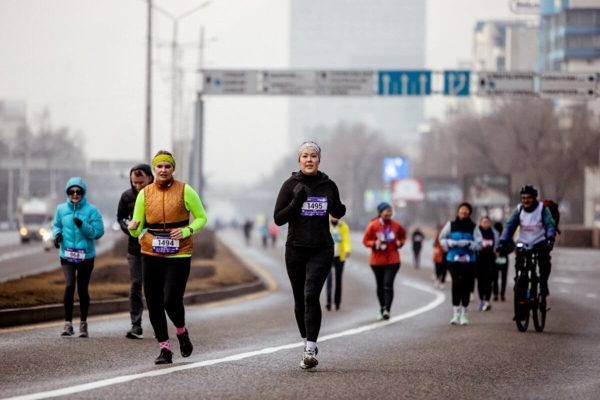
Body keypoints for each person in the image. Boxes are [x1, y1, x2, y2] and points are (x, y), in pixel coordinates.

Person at [128, 150, 208, 365]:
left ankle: (181, 332)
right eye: (159, 167)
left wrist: (186, 231)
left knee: (171, 300)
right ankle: (165, 349)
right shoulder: (144, 194)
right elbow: (136, 229)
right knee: (153, 303)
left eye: (167, 167)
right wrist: (133, 228)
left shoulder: (185, 190)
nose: (163, 170)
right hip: (151, 250)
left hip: (179, 251)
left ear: (173, 169)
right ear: (154, 170)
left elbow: (201, 218)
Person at [273, 141, 346, 370]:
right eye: (305, 155)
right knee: (299, 300)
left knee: (311, 294)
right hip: (295, 248)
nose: (309, 159)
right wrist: (297, 201)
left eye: (313, 155)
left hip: (322, 248)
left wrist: (338, 208)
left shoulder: (328, 184)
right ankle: (307, 340)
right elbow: (279, 218)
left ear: (319, 160)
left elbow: (338, 211)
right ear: (299, 160)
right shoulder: (290, 185)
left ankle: (310, 348)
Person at [52, 177, 105, 338]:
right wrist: (57, 235)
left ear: (83, 192)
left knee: (82, 289)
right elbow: (56, 225)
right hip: (66, 254)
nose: (75, 194)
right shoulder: (61, 209)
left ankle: (83, 323)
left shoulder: (92, 210)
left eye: (78, 191)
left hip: (86, 255)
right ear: (67, 192)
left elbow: (98, 232)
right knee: (69, 285)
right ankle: (68, 323)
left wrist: (82, 225)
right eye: (72, 191)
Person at [497, 185, 556, 298]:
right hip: (522, 242)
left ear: (534, 198)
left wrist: (550, 239)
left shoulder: (543, 209)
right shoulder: (519, 210)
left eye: (528, 198)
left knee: (545, 262)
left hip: (540, 242)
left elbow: (549, 224)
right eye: (523, 198)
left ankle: (543, 283)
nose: (525, 200)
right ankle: (519, 281)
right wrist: (503, 241)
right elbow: (510, 225)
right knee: (519, 262)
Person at [117, 164, 154, 339]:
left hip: (156, 248)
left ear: (150, 179)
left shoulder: (158, 194)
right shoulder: (126, 196)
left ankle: (158, 324)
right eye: (134, 182)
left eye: (141, 182)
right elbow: (120, 218)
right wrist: (128, 227)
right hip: (135, 249)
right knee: (135, 285)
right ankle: (136, 324)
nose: (137, 186)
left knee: (155, 287)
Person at [439, 203, 482, 326]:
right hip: (453, 260)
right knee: (457, 283)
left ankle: (464, 312)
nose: (463, 212)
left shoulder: (474, 227)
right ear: (458, 212)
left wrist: (469, 244)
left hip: (469, 260)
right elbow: (441, 239)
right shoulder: (450, 225)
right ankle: (455, 312)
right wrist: (449, 242)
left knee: (466, 285)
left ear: (469, 213)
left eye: (466, 211)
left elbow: (479, 244)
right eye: (461, 210)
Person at [362, 202, 407, 321]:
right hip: (377, 261)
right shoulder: (373, 225)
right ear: (380, 212)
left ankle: (387, 310)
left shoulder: (396, 225)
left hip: (393, 260)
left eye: (390, 210)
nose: (389, 212)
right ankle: (382, 308)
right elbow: (365, 240)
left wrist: (400, 243)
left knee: (388, 284)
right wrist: (374, 243)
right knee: (380, 285)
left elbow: (403, 236)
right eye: (387, 210)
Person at [325, 215, 351, 311]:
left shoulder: (343, 226)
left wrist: (347, 250)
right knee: (329, 278)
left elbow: (346, 240)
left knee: (338, 279)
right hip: (328, 256)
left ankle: (337, 302)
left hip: (340, 256)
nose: (334, 217)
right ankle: (328, 301)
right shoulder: (326, 225)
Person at [476, 216, 499, 311]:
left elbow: (497, 245)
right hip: (479, 260)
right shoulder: (476, 233)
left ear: (490, 223)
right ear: (480, 223)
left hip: (490, 260)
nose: (485, 224)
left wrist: (496, 250)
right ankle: (481, 299)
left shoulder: (494, 233)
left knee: (488, 281)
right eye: (484, 222)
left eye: (487, 222)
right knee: (480, 281)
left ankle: (487, 301)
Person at [492, 222, 508, 302]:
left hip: (503, 258)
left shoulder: (505, 236)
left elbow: (511, 246)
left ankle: (500, 294)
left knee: (501, 277)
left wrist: (502, 251)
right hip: (496, 259)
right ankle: (497, 294)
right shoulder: (494, 236)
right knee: (496, 277)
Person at [432, 225, 447, 289]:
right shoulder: (437, 235)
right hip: (438, 254)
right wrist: (435, 249)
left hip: (446, 254)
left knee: (444, 269)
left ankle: (442, 281)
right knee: (437, 267)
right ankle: (437, 278)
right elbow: (433, 244)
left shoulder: (449, 236)